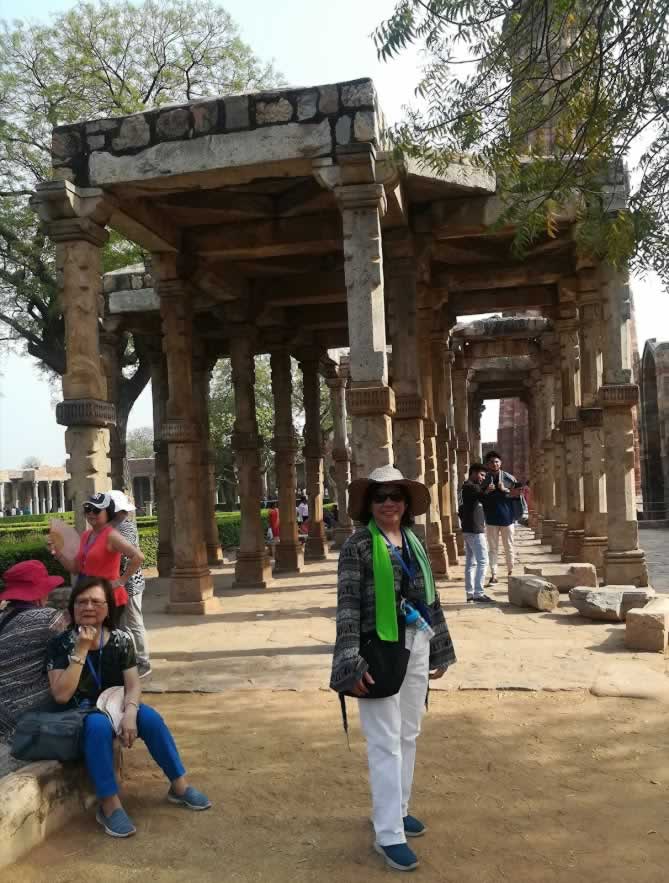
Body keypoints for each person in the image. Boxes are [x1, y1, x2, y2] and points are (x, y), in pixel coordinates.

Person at [330, 465, 456, 872]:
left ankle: (398, 809)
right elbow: (348, 605)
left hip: (416, 642)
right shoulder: (358, 546)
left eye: (395, 496)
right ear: (369, 504)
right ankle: (388, 834)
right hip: (377, 649)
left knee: (408, 732)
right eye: (380, 496)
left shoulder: (414, 542)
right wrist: (350, 659)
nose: (388, 503)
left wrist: (440, 648)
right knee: (385, 741)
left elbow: (429, 600)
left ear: (406, 503)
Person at [46, 576, 211, 838]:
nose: (88, 607)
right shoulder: (61, 644)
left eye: (96, 602)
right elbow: (61, 695)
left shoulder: (121, 639)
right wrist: (82, 649)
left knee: (151, 719)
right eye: (81, 602)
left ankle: (179, 786)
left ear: (108, 607)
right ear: (72, 607)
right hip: (80, 712)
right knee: (98, 725)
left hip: (118, 704)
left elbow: (133, 684)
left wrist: (131, 713)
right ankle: (109, 805)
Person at [0, 561, 68, 742]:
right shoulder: (49, 618)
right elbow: (75, 649)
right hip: (20, 713)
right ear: (38, 593)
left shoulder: (2, 616)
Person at [49, 492, 144, 609]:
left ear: (108, 513)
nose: (91, 513)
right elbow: (75, 568)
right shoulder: (86, 535)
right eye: (88, 509)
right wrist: (58, 552)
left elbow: (138, 556)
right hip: (90, 597)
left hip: (109, 599)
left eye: (97, 510)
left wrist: (120, 581)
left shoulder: (112, 535)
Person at [109, 490, 151, 678]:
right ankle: (130, 659)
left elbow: (129, 557)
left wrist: (121, 579)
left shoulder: (124, 527)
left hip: (130, 581)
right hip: (121, 582)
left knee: (134, 622)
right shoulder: (115, 526)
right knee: (123, 624)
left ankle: (143, 661)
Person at [481, 451, 523, 587]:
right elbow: (479, 497)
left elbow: (518, 494)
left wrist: (505, 489)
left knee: (508, 546)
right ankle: (494, 575)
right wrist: (486, 491)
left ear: (500, 463)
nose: (494, 464)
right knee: (492, 548)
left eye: (496, 461)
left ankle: (511, 571)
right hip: (491, 519)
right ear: (487, 464)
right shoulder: (484, 480)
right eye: (491, 462)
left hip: (507, 518)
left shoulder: (509, 478)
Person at [459, 463, 493, 603]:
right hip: (474, 530)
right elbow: (484, 498)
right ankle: (478, 593)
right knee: (483, 561)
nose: (483, 478)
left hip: (469, 528)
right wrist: (488, 490)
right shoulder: (470, 487)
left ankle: (470, 593)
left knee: (471, 563)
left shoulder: (467, 487)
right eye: (481, 475)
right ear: (473, 472)